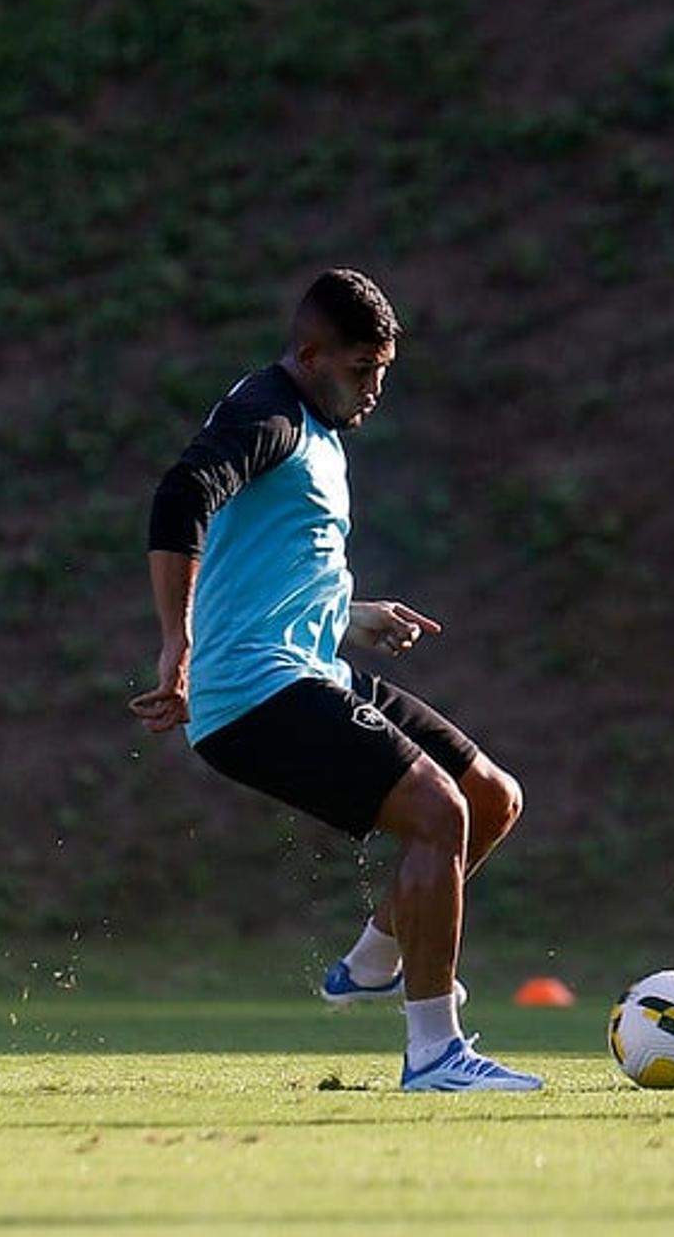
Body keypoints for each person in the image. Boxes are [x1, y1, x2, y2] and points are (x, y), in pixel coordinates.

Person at [131, 268, 541, 1093]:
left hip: (314, 666)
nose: (376, 389)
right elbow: (182, 496)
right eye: (362, 371)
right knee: (438, 811)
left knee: (491, 797)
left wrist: (349, 612)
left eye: (384, 371)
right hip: (254, 695)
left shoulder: (314, 430)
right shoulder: (268, 416)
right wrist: (175, 641)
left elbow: (268, 568)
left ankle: (378, 958)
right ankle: (434, 1054)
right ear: (311, 354)